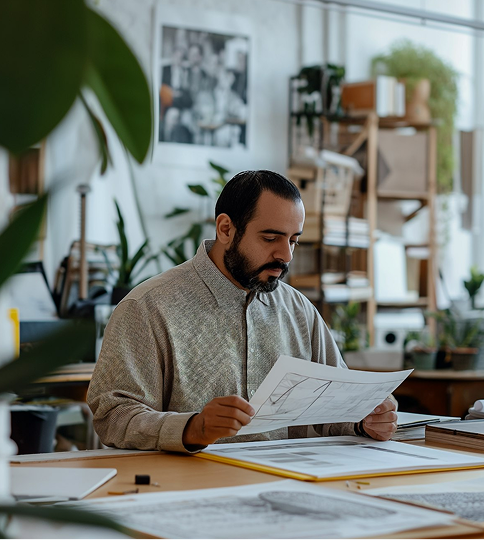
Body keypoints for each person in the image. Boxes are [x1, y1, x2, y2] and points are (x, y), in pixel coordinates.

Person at [87, 170, 398, 452]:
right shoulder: (147, 308)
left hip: (291, 487)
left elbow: (335, 410)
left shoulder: (299, 310)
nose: (285, 255)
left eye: (294, 240)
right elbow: (114, 417)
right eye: (271, 237)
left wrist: (364, 419)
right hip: (188, 489)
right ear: (226, 229)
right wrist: (192, 428)